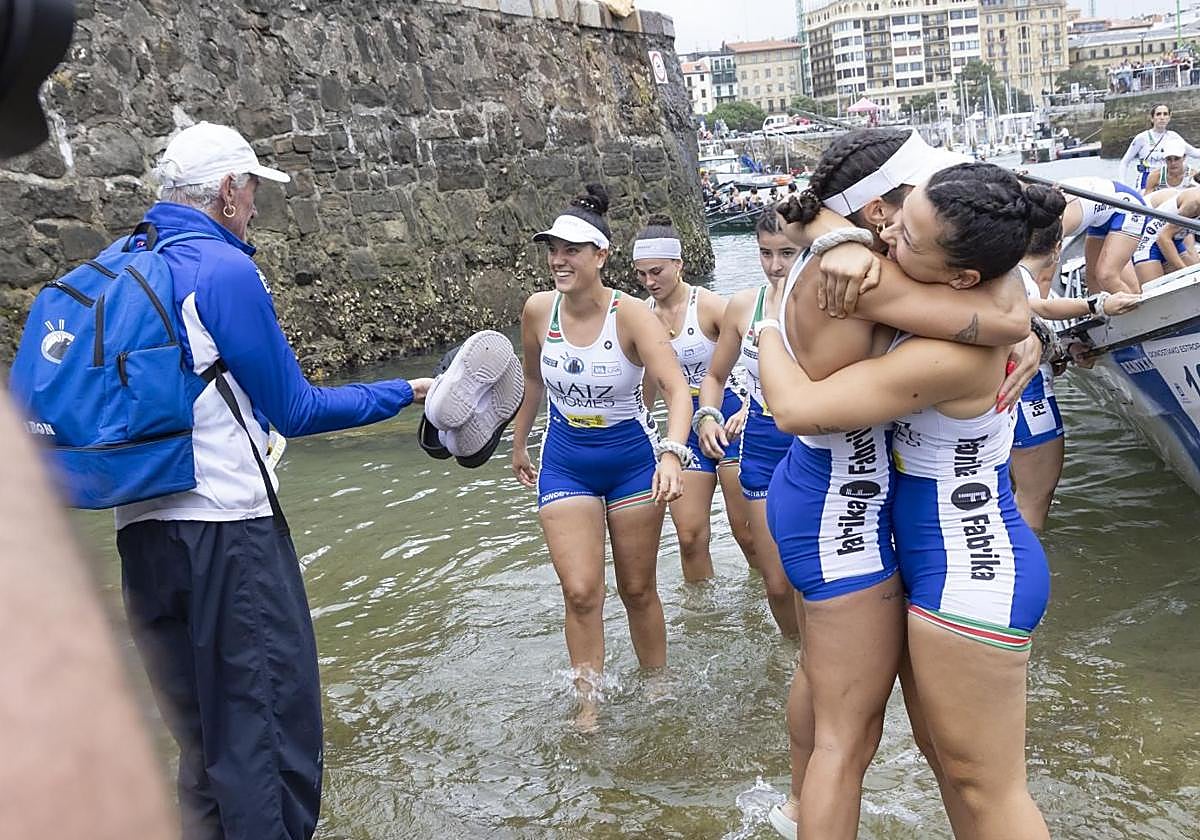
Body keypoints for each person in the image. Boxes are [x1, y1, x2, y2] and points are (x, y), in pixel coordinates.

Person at [114, 122, 435, 840]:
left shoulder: (125, 262)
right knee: (264, 738)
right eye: (254, 188)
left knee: (202, 746)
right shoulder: (221, 269)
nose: (257, 204)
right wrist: (405, 391)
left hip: (140, 540)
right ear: (229, 191)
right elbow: (295, 408)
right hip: (228, 538)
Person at [755, 128, 1041, 840]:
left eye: (907, 232)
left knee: (983, 783)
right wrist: (831, 238)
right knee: (947, 765)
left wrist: (759, 327)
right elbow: (1001, 304)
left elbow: (794, 409)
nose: (887, 234)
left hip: (969, 559)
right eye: (889, 217)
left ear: (962, 274)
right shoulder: (916, 280)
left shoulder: (959, 345)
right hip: (914, 546)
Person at [510, 184, 692, 727]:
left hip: (632, 459)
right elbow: (531, 381)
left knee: (637, 589)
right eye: (553, 250)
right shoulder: (538, 310)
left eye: (571, 250)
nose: (558, 260)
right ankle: (588, 703)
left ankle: (656, 688)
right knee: (582, 591)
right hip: (566, 458)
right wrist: (519, 441)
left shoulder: (633, 315)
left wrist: (673, 454)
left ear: (601, 255)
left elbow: (677, 389)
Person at [695, 210, 800, 638]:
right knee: (775, 584)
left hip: (817, 444)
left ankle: (826, 659)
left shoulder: (830, 306)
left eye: (788, 253)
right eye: (765, 253)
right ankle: (796, 654)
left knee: (814, 577)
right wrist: (708, 416)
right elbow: (716, 376)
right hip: (762, 443)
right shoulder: (743, 305)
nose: (775, 266)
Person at [634, 214, 756, 582]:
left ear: (679, 265)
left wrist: (751, 409)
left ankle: (763, 607)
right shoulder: (639, 317)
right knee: (689, 537)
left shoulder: (711, 307)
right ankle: (703, 622)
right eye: (641, 275)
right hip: (682, 429)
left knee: (747, 535)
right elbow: (645, 389)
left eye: (656, 271)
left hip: (731, 421)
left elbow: (760, 359)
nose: (649, 282)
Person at [1012, 214, 1141, 530]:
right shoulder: (1020, 279)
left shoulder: (1009, 274)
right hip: (1029, 400)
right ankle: (1025, 570)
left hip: (1013, 399)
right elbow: (1038, 309)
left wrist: (1066, 350)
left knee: (1015, 497)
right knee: (1034, 501)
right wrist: (1099, 305)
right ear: (1057, 250)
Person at [1058, 175, 1149, 294]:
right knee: (1092, 276)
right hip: (1099, 216)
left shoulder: (1055, 221)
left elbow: (1045, 277)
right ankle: (1097, 309)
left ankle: (1139, 309)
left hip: (1126, 206)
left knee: (1107, 276)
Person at [1120, 103, 1200, 190]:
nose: (1162, 117)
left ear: (1169, 118)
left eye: (1165, 114)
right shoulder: (1142, 138)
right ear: (1152, 118)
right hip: (1146, 178)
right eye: (1158, 114)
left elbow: (1195, 153)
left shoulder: (1174, 136)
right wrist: (1122, 183)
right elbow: (1125, 162)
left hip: (1165, 178)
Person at [1133, 186, 1200, 286]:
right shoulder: (1194, 202)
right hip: (1151, 241)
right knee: (1154, 294)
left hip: (1175, 241)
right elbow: (1163, 237)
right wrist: (1184, 272)